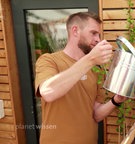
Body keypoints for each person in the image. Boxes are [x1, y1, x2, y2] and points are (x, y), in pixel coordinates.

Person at [35, 11, 127, 144]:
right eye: (93, 33)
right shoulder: (49, 60)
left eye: (99, 35)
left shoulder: (96, 69)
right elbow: (48, 92)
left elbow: (96, 114)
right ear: (75, 31)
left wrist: (116, 100)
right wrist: (90, 60)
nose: (98, 39)